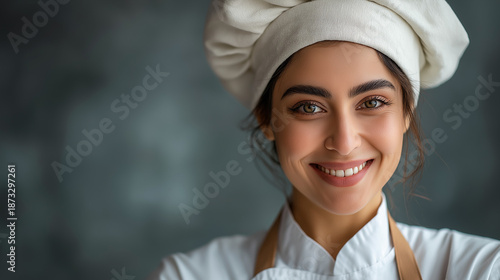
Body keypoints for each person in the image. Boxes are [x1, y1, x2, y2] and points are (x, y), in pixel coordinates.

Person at [147, 0, 500, 279]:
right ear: (266, 118)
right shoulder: (188, 276)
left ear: (406, 112)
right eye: (308, 107)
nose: (344, 142)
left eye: (373, 102)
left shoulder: (481, 270)